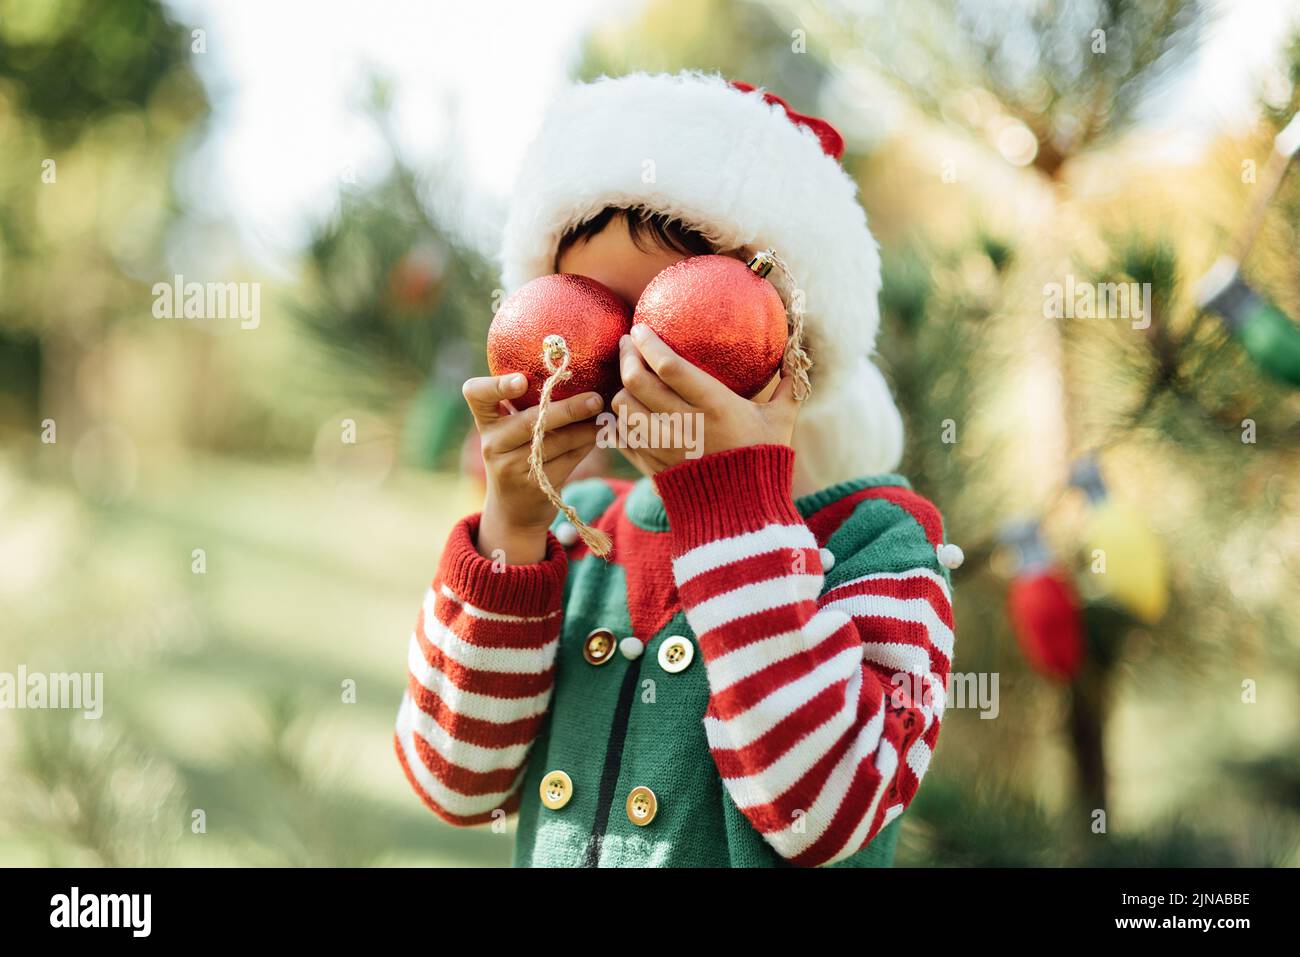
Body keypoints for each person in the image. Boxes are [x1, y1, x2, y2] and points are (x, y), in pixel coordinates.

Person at [394, 72, 956, 867]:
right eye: (579, 317)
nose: (627, 369)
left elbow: (825, 808)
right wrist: (512, 534)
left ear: (794, 351)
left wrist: (733, 510)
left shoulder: (880, 549)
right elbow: (454, 781)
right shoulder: (574, 532)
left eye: (680, 323)